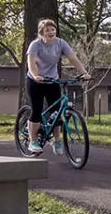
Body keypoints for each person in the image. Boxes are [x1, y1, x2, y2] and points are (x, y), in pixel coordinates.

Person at [24, 18, 87, 155]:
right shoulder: (36, 45)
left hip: (52, 80)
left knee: (57, 112)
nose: (51, 32)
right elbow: (31, 63)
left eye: (53, 29)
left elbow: (73, 58)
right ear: (42, 33)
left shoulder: (60, 43)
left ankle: (57, 141)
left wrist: (84, 73)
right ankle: (32, 141)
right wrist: (36, 76)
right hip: (35, 81)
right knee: (37, 110)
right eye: (47, 30)